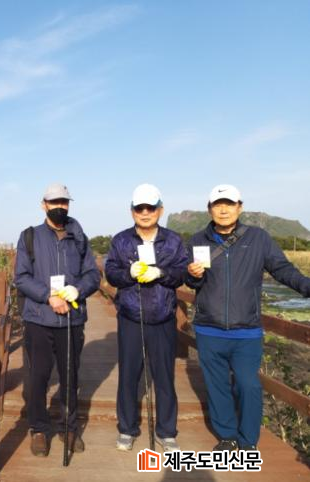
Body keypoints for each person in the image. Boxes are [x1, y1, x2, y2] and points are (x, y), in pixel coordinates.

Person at [186, 184, 310, 451]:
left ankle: (248, 441)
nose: (223, 209)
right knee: (217, 386)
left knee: (248, 384)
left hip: (247, 330)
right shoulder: (197, 240)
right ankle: (227, 436)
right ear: (209, 209)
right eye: (218, 204)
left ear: (239, 207)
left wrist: (306, 286)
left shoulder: (258, 238)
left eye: (229, 204)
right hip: (209, 328)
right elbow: (191, 282)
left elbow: (282, 269)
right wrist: (192, 275)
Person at [14, 183, 100, 457]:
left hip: (72, 320)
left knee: (70, 376)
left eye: (64, 202)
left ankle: (69, 428)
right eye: (54, 202)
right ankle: (39, 429)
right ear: (44, 205)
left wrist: (79, 289)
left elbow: (93, 275)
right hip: (39, 319)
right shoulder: (29, 237)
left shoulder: (80, 237)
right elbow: (21, 277)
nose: (59, 206)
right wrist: (48, 296)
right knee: (38, 377)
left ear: (69, 204)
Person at [105, 184, 188, 452]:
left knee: (164, 377)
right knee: (129, 375)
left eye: (150, 207)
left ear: (160, 210)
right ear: (132, 211)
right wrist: (128, 273)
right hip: (131, 316)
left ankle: (167, 431)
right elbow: (110, 273)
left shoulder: (173, 240)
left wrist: (161, 273)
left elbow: (182, 273)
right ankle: (127, 428)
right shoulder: (121, 240)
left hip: (163, 317)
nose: (145, 212)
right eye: (139, 208)